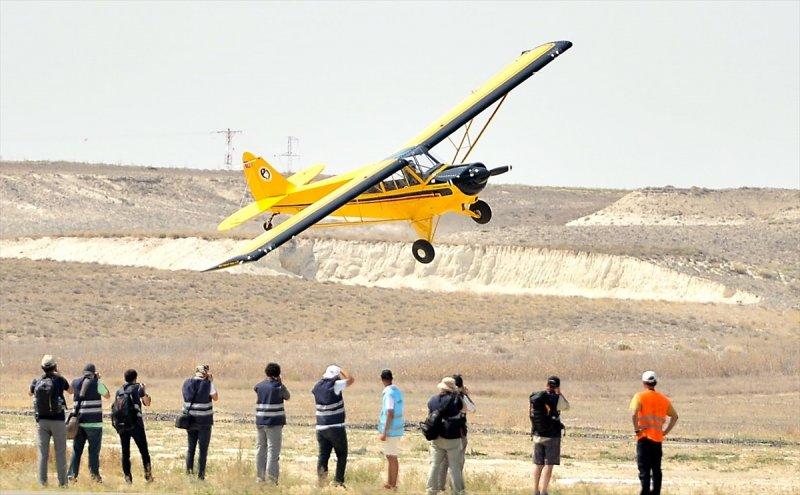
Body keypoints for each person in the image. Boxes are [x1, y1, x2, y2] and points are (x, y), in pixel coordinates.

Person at [630, 371, 678, 495]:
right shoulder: (664, 399)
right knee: (656, 469)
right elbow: (675, 416)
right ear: (655, 383)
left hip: (643, 437)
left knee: (644, 469)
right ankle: (656, 492)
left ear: (643, 383)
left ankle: (645, 492)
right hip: (657, 439)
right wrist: (665, 432)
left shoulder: (639, 396)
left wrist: (636, 429)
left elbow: (634, 414)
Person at [29, 355, 72, 487]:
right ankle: (63, 483)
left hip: (42, 421)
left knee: (43, 453)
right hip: (58, 420)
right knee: (60, 453)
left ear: (42, 367)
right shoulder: (59, 380)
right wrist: (59, 375)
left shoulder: (37, 380)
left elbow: (30, 393)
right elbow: (71, 391)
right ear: (54, 366)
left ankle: (43, 483)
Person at [312, 364, 354, 487]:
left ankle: (321, 482)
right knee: (341, 454)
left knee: (323, 455)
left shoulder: (317, 386)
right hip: (336, 426)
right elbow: (351, 380)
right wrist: (342, 370)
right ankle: (338, 481)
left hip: (321, 427)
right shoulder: (336, 385)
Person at [68, 363, 110, 483]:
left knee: (77, 450)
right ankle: (95, 476)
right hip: (94, 423)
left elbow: (70, 392)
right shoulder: (97, 383)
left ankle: (71, 476)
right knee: (93, 451)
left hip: (78, 422)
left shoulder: (75, 382)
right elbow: (107, 395)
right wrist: (98, 379)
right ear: (94, 372)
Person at [425, 376, 466, 495]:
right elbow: (464, 409)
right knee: (454, 467)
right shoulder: (456, 400)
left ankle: (431, 490)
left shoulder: (432, 400)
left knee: (434, 464)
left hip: (437, 437)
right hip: (453, 437)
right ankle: (458, 491)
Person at [529, 375, 570, 495]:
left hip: (537, 434)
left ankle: (535, 490)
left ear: (547, 384)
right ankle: (544, 491)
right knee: (549, 464)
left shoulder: (536, 397)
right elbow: (567, 406)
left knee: (538, 464)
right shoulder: (556, 398)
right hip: (551, 436)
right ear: (557, 386)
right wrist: (559, 394)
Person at [436, 374, 476, 490]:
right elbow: (472, 409)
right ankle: (455, 487)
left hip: (442, 432)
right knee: (457, 463)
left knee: (443, 462)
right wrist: (465, 394)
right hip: (459, 433)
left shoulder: (442, 396)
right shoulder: (460, 397)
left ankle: (440, 487)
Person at [254, 362, 290, 484]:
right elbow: (287, 396)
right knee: (273, 452)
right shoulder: (278, 387)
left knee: (260, 450)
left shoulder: (259, 386)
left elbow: (256, 388)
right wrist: (280, 382)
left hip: (260, 421)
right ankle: (272, 480)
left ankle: (260, 478)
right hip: (274, 423)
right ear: (278, 374)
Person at [114, 369, 152, 484]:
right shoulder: (137, 388)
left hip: (122, 426)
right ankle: (148, 476)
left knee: (125, 453)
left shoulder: (119, 390)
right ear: (135, 377)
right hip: (136, 425)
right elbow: (147, 402)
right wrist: (144, 390)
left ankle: (127, 478)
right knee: (144, 451)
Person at [182, 364, 219, 480]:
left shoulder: (186, 383)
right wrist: (211, 381)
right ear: (206, 373)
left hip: (190, 420)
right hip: (204, 421)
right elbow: (216, 397)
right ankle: (201, 476)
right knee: (203, 450)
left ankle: (189, 473)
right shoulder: (208, 384)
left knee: (191, 448)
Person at [377, 369, 404, 490]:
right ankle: (390, 483)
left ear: (382, 380)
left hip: (391, 430)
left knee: (391, 457)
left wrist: (384, 432)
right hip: (397, 429)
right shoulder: (397, 391)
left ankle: (392, 484)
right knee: (391, 456)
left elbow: (390, 413)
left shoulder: (388, 394)